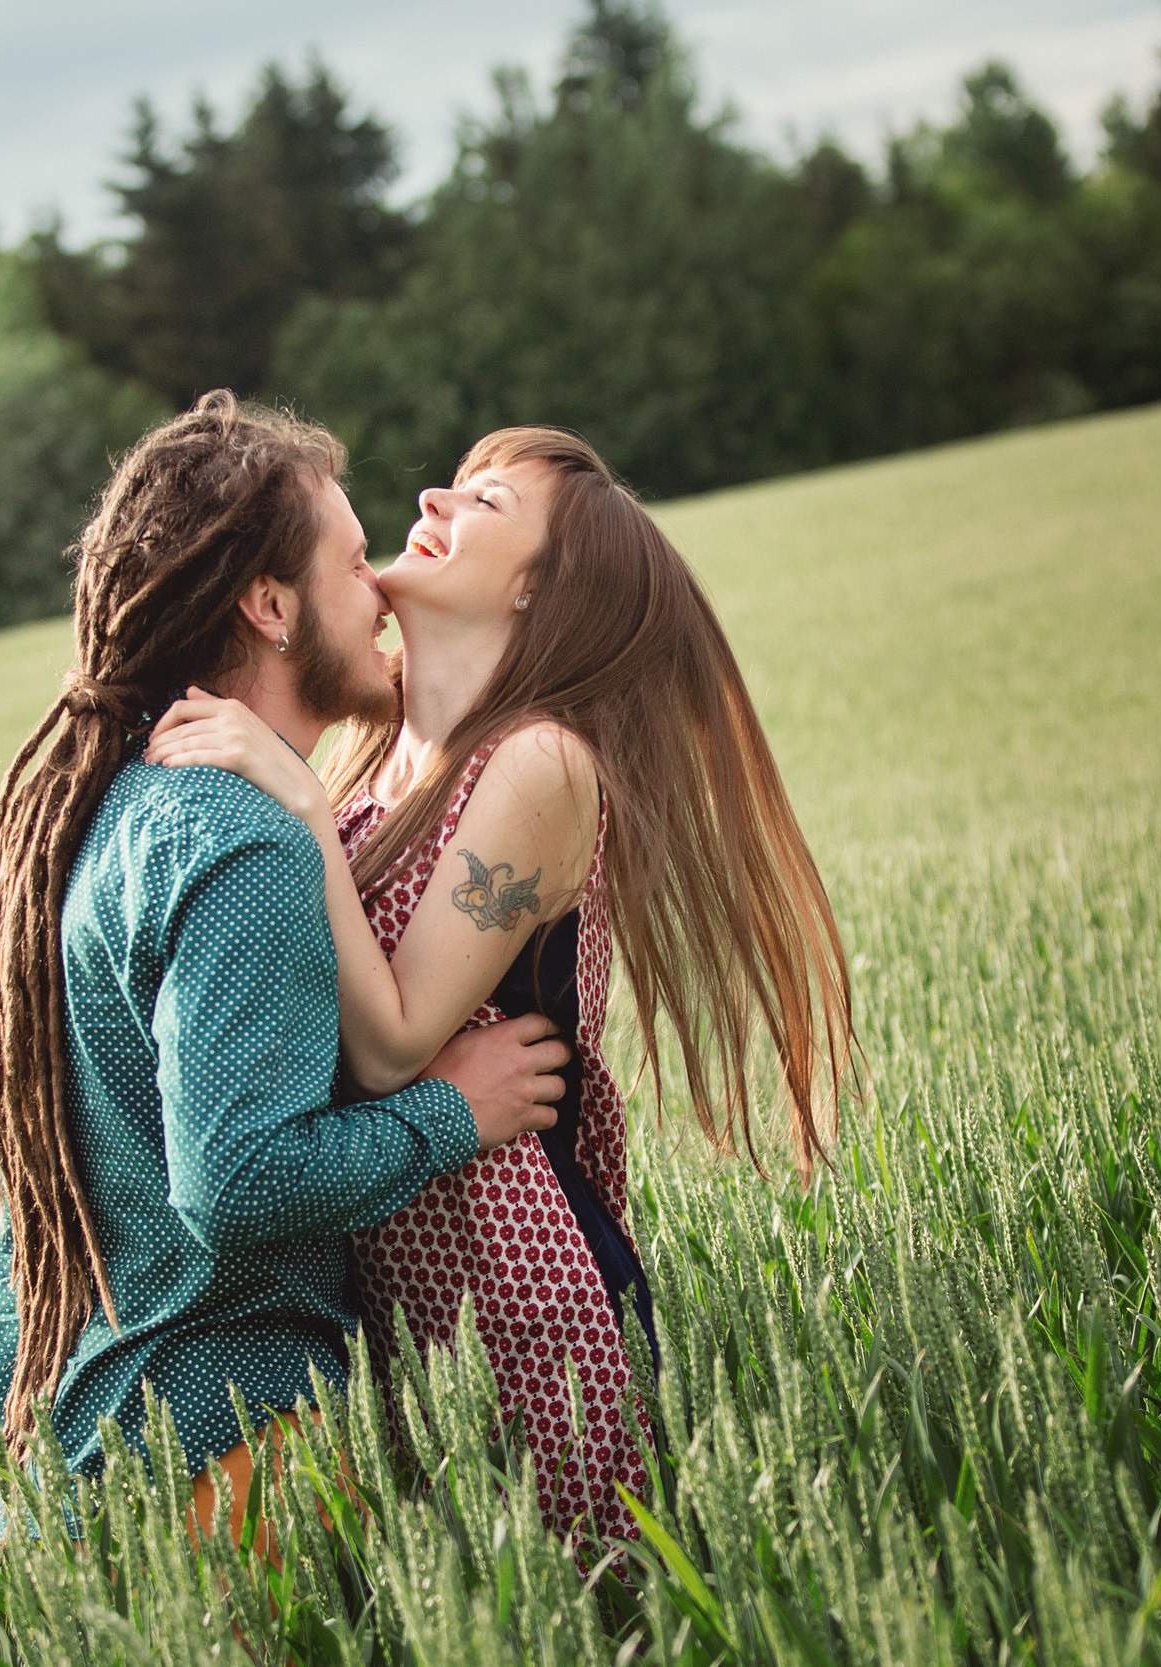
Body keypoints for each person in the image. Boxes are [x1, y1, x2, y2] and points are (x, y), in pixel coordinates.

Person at [145, 426, 857, 1545]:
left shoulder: (538, 763)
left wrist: (294, 807)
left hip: (522, 1278)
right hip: (396, 1280)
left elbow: (388, 1047)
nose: (430, 493)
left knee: (582, 1603)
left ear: (538, 589)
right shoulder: (371, 753)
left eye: (480, 500)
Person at [0, 393, 574, 1539]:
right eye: (353, 565)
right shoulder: (240, 838)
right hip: (227, 1462)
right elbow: (236, 1179)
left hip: (73, 1478)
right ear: (270, 605)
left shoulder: (91, 813)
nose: (381, 586)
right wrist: (453, 1109)